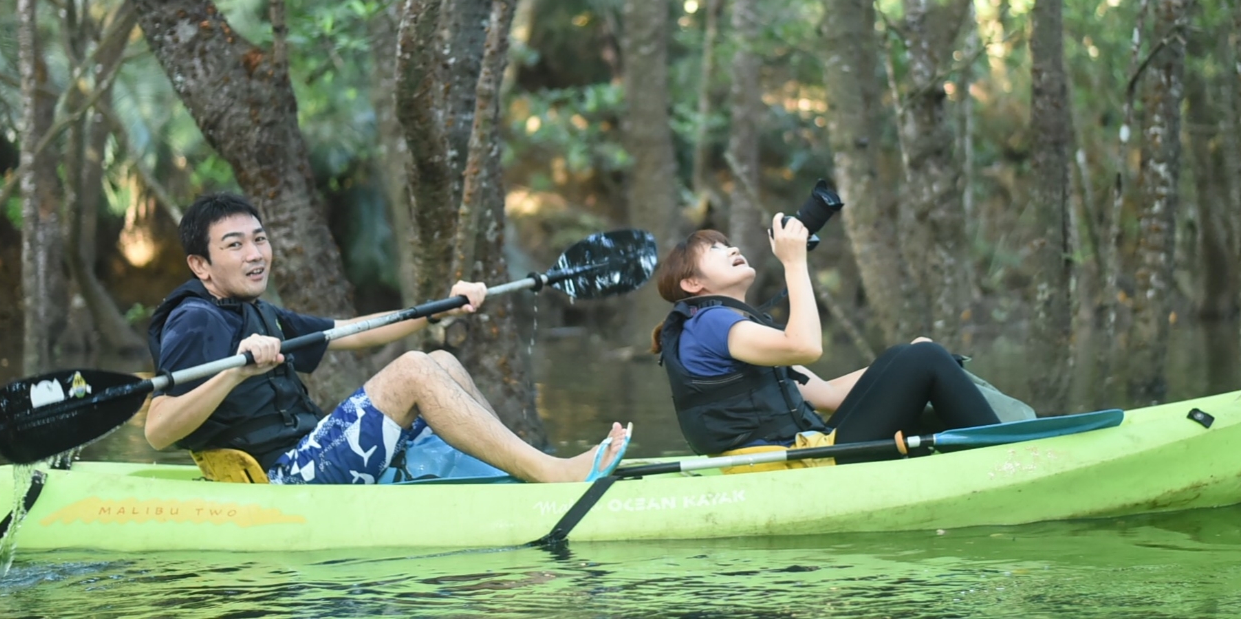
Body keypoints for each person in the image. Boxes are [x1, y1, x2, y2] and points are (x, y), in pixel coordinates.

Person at [146, 191, 631, 485]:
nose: (256, 253)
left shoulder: (257, 310)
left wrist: (444, 305)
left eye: (259, 239)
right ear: (200, 265)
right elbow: (157, 430)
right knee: (414, 369)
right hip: (282, 476)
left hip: (311, 447)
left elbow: (356, 333)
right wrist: (235, 374)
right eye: (235, 245)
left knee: (439, 358)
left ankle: (518, 470)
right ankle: (547, 472)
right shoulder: (195, 320)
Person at [651, 215, 999, 458]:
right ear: (692, 283)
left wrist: (907, 365)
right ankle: (1004, 453)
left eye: (727, 244)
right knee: (923, 359)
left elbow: (829, 395)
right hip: (791, 465)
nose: (731, 249)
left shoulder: (728, 328)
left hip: (807, 451)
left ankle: (988, 446)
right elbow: (805, 347)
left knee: (916, 355)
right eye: (714, 250)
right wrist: (794, 263)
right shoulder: (710, 323)